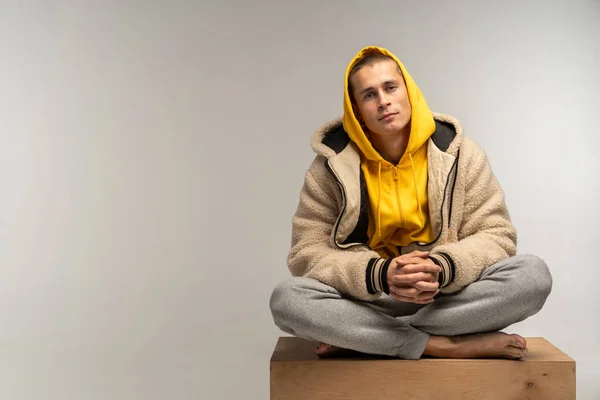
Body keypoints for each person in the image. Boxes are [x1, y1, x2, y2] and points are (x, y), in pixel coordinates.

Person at [269, 45, 552, 360]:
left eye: (390, 87)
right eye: (368, 95)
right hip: (369, 300)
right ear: (357, 111)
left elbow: (496, 234)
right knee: (287, 299)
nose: (383, 101)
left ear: (408, 91)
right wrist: (381, 273)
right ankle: (440, 345)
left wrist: (439, 267)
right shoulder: (329, 167)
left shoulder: (461, 154)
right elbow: (306, 252)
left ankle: (366, 338)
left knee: (532, 276)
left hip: (443, 298)